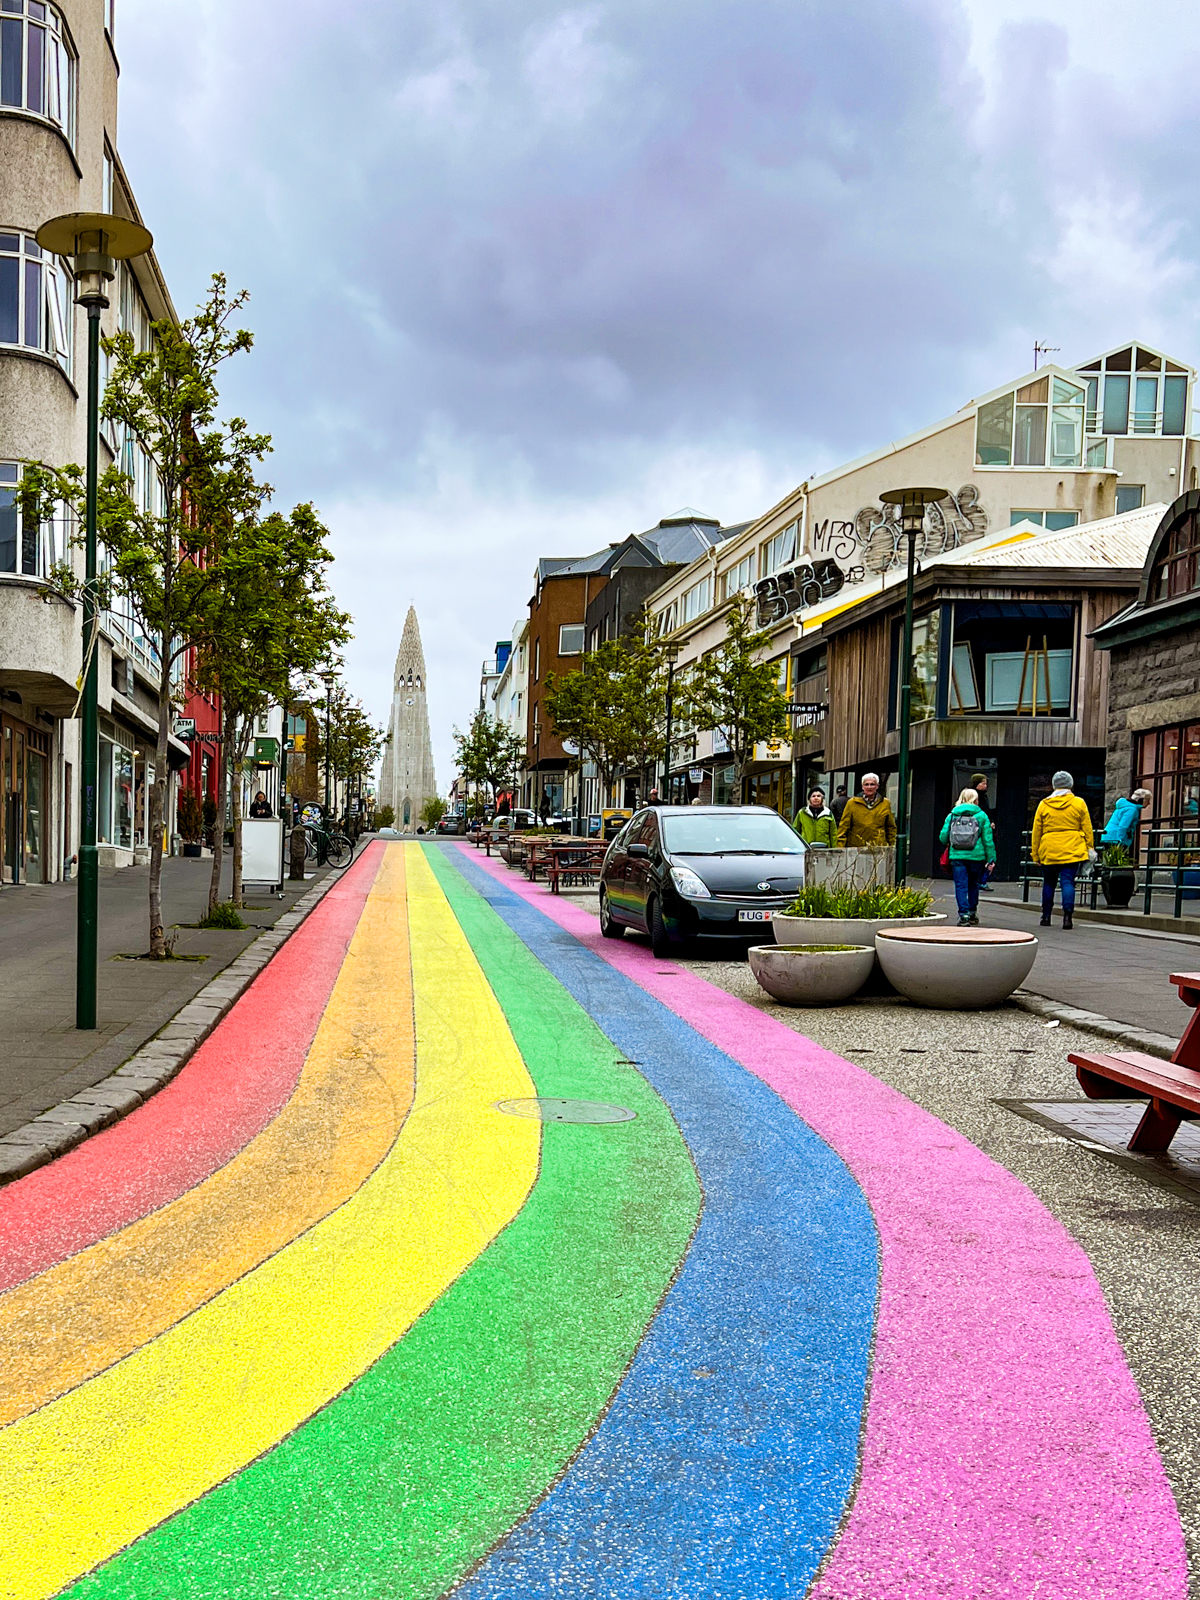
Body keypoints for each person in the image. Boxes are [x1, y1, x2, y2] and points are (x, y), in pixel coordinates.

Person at [1031, 770, 1095, 929]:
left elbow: (1037, 831)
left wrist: (1035, 854)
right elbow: (1087, 827)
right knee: (1067, 882)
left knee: (1049, 883)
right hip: (1072, 847)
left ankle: (1046, 916)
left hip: (1049, 848)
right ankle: (1067, 916)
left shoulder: (1044, 804)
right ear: (1071, 785)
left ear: (1054, 785)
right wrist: (1089, 847)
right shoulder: (1078, 802)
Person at [939, 787, 996, 926]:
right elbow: (988, 840)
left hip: (957, 856)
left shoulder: (952, 815)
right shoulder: (981, 816)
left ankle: (963, 915)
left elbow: (943, 837)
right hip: (976, 857)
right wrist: (991, 858)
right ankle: (972, 912)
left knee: (960, 886)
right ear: (975, 800)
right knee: (974, 885)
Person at [837, 773, 897, 849]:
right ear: (862, 787)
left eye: (872, 784)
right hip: (856, 848)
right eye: (866, 784)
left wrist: (892, 847)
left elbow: (891, 828)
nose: (869, 787)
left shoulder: (885, 803)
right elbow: (843, 827)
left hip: (879, 848)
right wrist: (840, 849)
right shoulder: (852, 803)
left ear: (877, 786)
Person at [969, 771, 995, 889]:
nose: (985, 786)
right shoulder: (975, 797)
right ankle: (981, 881)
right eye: (983, 783)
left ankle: (982, 880)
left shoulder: (984, 797)